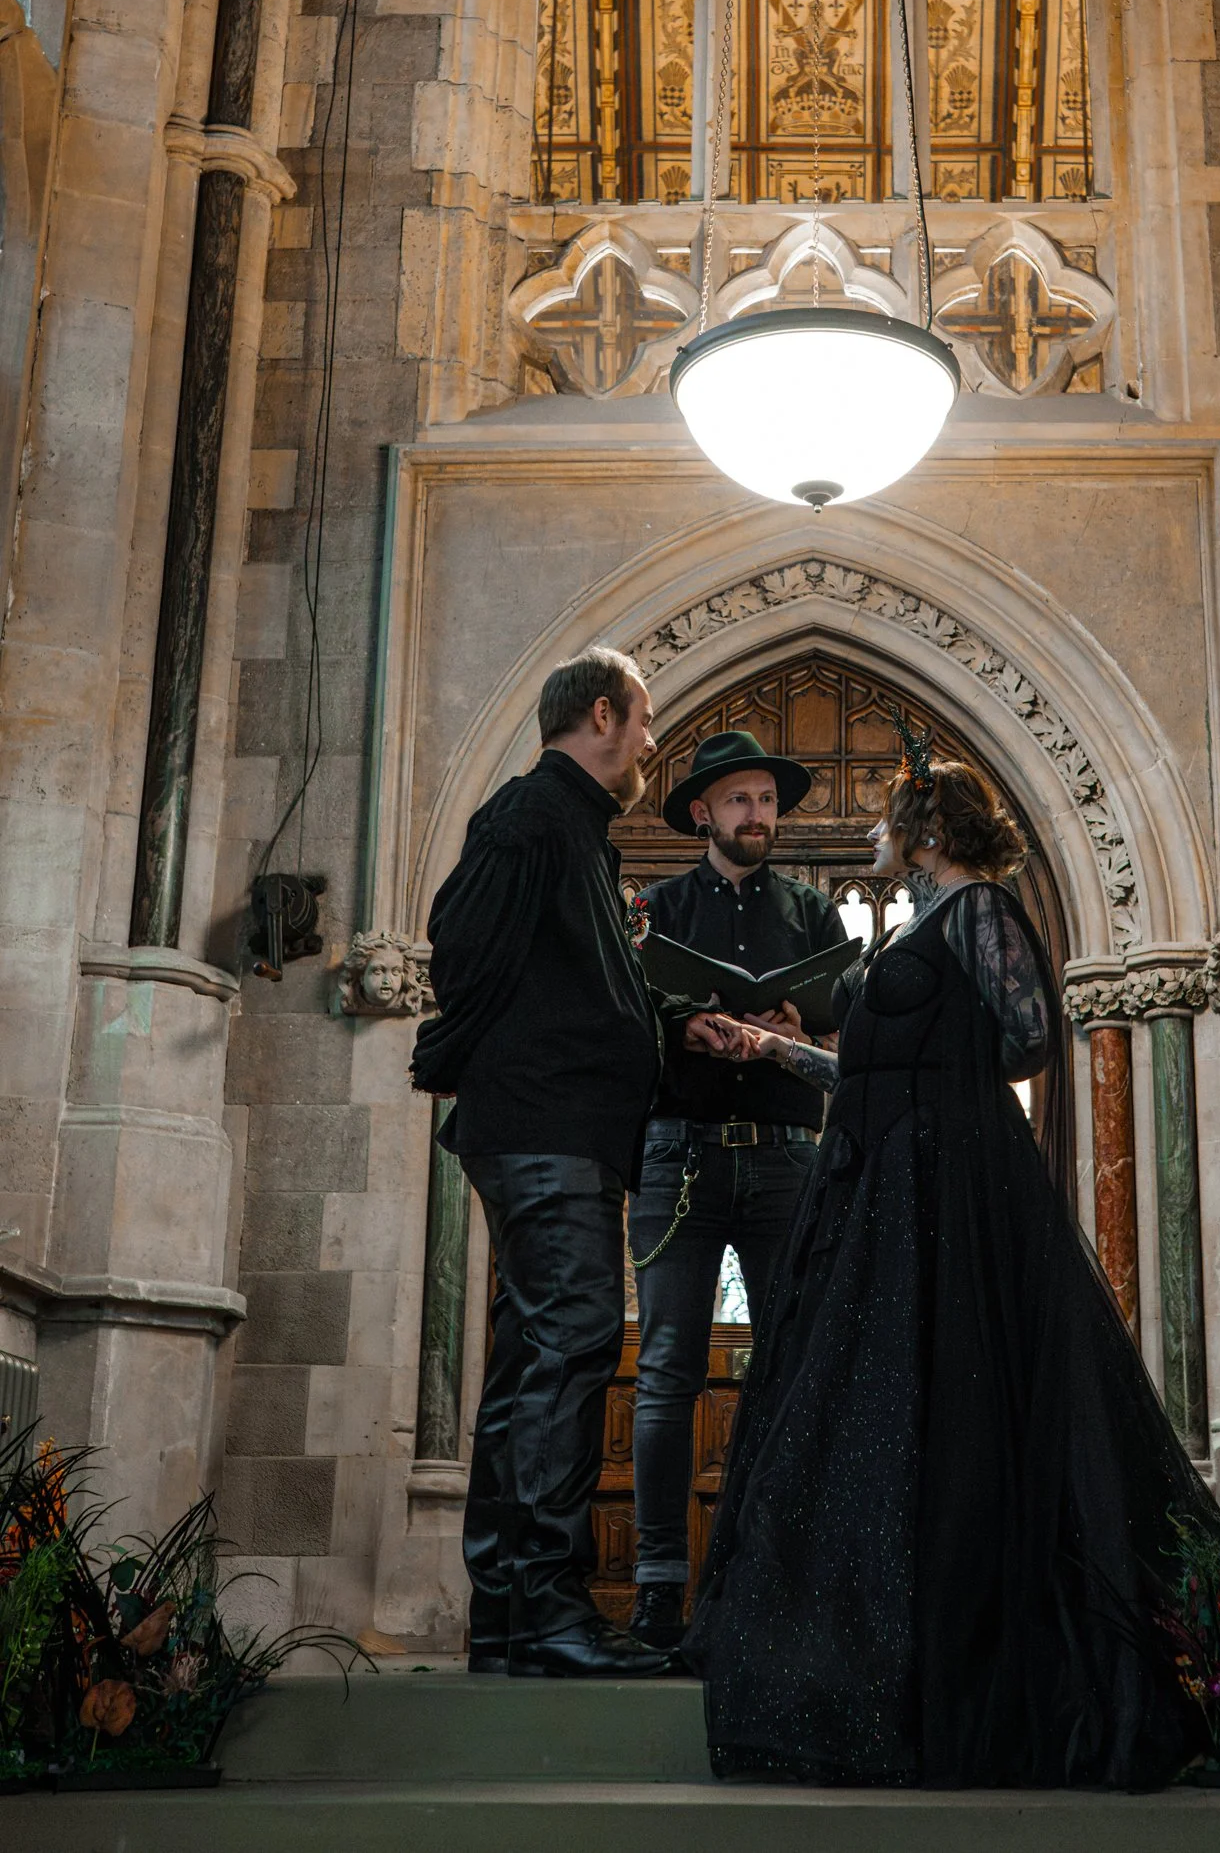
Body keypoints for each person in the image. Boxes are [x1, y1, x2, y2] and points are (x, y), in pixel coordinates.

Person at [683, 742, 1220, 1789]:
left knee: (960, 1405)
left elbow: (1026, 1037)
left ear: (928, 833)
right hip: (887, 1186)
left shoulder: (977, 911)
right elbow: (879, 1069)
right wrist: (769, 1051)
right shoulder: (928, 921)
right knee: (875, 1412)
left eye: (888, 822)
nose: (874, 837)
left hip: (949, 1191)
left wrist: (947, 1097)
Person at [411, 647, 738, 1680]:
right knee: (572, 1343)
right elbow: (460, 946)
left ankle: (509, 1619)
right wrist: (507, 1056)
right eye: (642, 720)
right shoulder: (531, 816)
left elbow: (587, 981)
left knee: (536, 1360)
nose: (650, 740)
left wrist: (672, 1027)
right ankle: (545, 1611)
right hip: (542, 1130)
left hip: (558, 1129)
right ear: (600, 714)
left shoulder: (577, 832)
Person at [628, 732, 851, 1656]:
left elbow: (852, 1012)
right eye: (738, 801)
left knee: (793, 1367)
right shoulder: (658, 908)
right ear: (702, 815)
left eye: (765, 800)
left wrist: (801, 1019)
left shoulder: (812, 910)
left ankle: (775, 1581)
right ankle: (655, 1588)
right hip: (677, 1154)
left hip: (784, 1158)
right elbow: (622, 1014)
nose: (755, 815)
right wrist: (685, 1030)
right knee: (667, 1370)